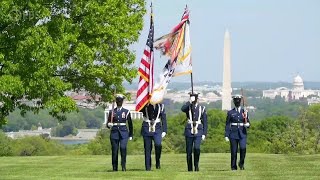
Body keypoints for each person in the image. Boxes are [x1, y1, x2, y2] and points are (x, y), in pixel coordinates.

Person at [181, 92, 208, 171]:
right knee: (189, 150)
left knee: (197, 148)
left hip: (198, 130)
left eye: (195, 97)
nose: (194, 99)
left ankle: (196, 165)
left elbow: (205, 122)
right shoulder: (188, 107)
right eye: (193, 97)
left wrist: (204, 133)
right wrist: (189, 102)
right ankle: (190, 168)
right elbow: (182, 109)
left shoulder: (202, 108)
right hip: (189, 129)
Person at [107, 94, 133, 171]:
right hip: (114, 132)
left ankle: (123, 166)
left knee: (123, 148)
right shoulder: (112, 111)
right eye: (118, 101)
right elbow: (108, 124)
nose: (119, 102)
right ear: (116, 102)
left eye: (120, 101)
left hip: (124, 132)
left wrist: (130, 134)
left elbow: (130, 124)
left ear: (122, 102)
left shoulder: (126, 111)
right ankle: (114, 167)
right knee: (114, 150)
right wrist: (109, 124)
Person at [224, 94, 250, 170]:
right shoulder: (230, 112)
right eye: (236, 100)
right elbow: (228, 124)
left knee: (243, 148)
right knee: (234, 151)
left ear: (240, 101)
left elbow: (248, 121)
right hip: (233, 133)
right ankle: (233, 167)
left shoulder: (244, 111)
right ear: (234, 101)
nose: (237, 101)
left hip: (242, 133)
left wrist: (247, 124)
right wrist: (226, 135)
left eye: (238, 100)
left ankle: (241, 163)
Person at [140, 103, 167, 171]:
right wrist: (145, 104)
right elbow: (139, 109)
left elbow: (163, 118)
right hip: (147, 127)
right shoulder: (145, 104)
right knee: (147, 148)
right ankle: (148, 167)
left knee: (158, 144)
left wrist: (164, 130)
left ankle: (157, 160)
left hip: (157, 128)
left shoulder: (161, 106)